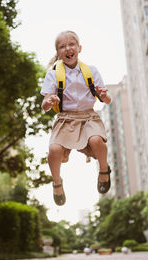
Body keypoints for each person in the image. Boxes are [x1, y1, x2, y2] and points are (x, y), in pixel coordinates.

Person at [40, 30, 112, 206]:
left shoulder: (91, 71)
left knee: (96, 141)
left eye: (71, 44)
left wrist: (103, 95)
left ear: (79, 48)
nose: (67, 48)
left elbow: (107, 100)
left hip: (89, 117)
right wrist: (49, 101)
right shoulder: (53, 74)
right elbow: (44, 105)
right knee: (54, 151)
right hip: (65, 118)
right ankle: (57, 182)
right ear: (58, 53)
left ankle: (104, 170)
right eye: (62, 46)